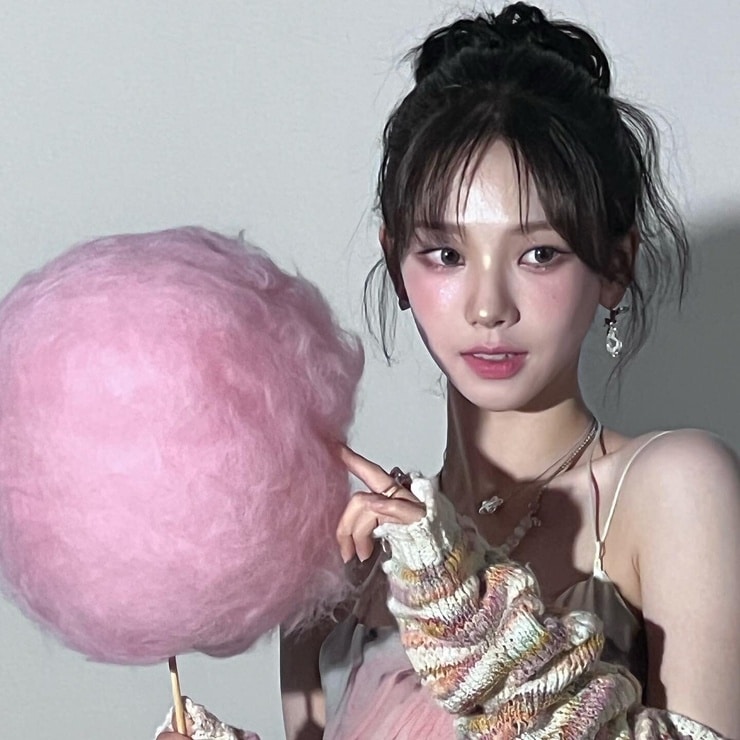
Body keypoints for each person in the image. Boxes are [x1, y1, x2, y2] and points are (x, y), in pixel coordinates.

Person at [161, 3, 740, 738]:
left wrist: (459, 609)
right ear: (396, 263)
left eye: (539, 254)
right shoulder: (345, 564)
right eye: (446, 255)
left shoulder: (673, 489)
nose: (489, 306)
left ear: (614, 266)